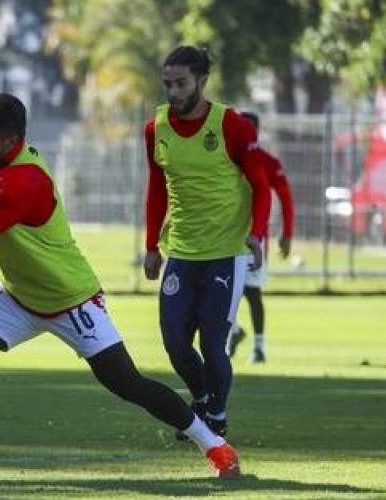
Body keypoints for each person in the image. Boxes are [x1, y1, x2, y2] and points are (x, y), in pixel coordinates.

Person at [0, 93, 242, 480]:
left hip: (71, 301)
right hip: (20, 298)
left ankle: (215, 446)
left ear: (11, 140)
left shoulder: (24, 180)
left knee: (127, 383)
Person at [142, 46, 271, 438]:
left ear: (201, 81)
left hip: (225, 254)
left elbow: (261, 185)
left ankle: (216, 411)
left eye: (180, 83)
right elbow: (156, 188)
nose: (173, 92)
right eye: (167, 84)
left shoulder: (232, 125)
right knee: (176, 343)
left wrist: (258, 232)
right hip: (181, 251)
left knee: (213, 344)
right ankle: (202, 398)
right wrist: (151, 245)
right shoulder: (155, 129)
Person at [226, 112, 295, 363]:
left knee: (252, 294)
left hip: (254, 239)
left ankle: (259, 347)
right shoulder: (226, 160)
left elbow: (285, 198)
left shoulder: (268, 162)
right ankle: (232, 334)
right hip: (224, 237)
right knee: (223, 292)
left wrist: (287, 234)